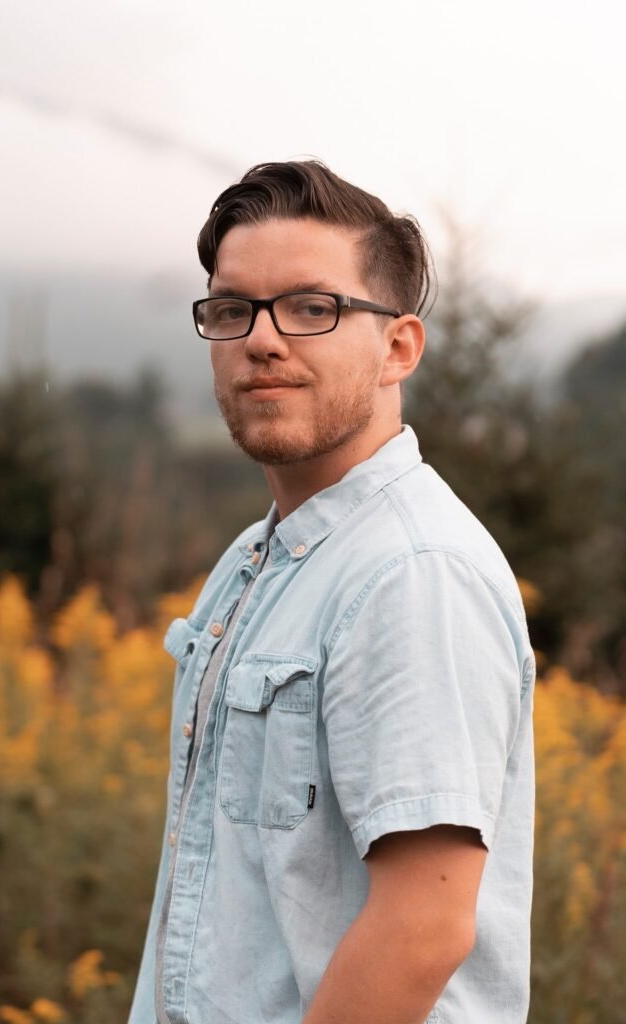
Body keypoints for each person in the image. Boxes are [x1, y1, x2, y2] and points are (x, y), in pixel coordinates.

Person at [127, 160, 535, 1024]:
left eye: (313, 308)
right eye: (232, 310)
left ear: (399, 348)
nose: (262, 340)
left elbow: (422, 928)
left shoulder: (412, 572)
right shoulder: (258, 557)